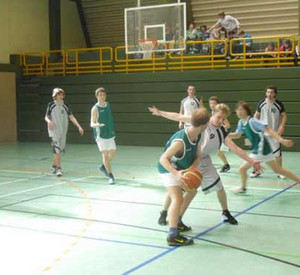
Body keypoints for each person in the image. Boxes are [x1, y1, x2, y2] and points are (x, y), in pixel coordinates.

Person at [149, 104, 261, 227]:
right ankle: (165, 213)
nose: (221, 121)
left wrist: (251, 161)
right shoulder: (201, 122)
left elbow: (235, 148)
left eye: (224, 119)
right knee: (178, 189)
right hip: (189, 158)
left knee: (219, 187)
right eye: (219, 117)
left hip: (204, 160)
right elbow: (178, 116)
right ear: (213, 114)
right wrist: (160, 113)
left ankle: (225, 212)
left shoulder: (221, 132)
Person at [157, 108, 210, 246]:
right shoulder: (180, 141)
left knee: (192, 191)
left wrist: (190, 169)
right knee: (177, 197)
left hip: (180, 168)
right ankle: (172, 235)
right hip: (167, 168)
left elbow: (198, 155)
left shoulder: (198, 134)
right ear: (204, 124)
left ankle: (178, 220)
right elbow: (163, 158)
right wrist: (177, 174)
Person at [229, 101, 300, 194]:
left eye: (241, 109)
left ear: (246, 111)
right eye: (237, 110)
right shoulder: (241, 122)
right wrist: (225, 135)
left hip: (260, 149)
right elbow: (237, 135)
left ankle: (243, 188)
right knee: (278, 170)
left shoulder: (253, 121)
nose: (238, 111)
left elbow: (268, 129)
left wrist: (281, 140)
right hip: (263, 149)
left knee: (242, 169)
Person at [45, 88, 84, 176]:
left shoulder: (65, 106)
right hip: (54, 131)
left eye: (62, 94)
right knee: (57, 149)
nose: (61, 96)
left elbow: (71, 117)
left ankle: (54, 166)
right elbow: (46, 117)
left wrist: (79, 126)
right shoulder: (51, 105)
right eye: (59, 94)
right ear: (55, 95)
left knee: (58, 150)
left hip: (63, 131)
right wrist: (49, 121)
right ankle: (59, 168)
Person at [253, 86, 287, 179]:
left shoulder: (279, 104)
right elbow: (256, 115)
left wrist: (281, 126)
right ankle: (256, 171)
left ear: (275, 94)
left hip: (275, 132)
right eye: (268, 92)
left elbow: (284, 116)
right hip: (263, 132)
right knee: (258, 152)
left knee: (277, 154)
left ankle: (280, 172)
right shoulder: (261, 103)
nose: (269, 94)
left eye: (271, 92)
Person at [90, 87, 116, 185]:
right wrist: (97, 125)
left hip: (109, 133)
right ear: (97, 96)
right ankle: (110, 176)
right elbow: (91, 123)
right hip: (100, 135)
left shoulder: (108, 105)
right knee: (105, 154)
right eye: (100, 95)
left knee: (113, 153)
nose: (102, 97)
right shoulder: (95, 108)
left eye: (104, 95)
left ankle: (103, 166)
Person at [209, 96, 231, 172]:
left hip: (224, 136)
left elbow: (228, 125)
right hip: (218, 136)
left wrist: (221, 127)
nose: (212, 105)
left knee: (219, 152)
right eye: (210, 103)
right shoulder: (213, 113)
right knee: (218, 152)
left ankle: (226, 165)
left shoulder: (221, 114)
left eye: (214, 103)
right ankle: (226, 165)